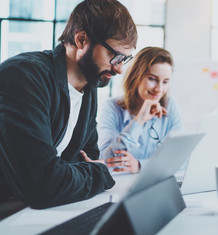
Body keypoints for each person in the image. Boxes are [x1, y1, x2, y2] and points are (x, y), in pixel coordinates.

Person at [0, 0, 137, 210]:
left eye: (124, 60)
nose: (119, 69)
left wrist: (74, 173)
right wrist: (99, 173)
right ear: (81, 39)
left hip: (38, 208)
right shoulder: (24, 76)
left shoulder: (88, 87)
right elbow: (43, 184)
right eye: (114, 56)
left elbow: (88, 157)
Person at [97, 47, 182, 173]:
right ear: (136, 76)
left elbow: (181, 159)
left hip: (155, 183)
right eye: (152, 79)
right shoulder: (110, 107)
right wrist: (139, 119)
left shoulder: (170, 105)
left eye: (165, 82)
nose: (159, 89)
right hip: (119, 185)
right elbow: (109, 159)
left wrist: (140, 165)